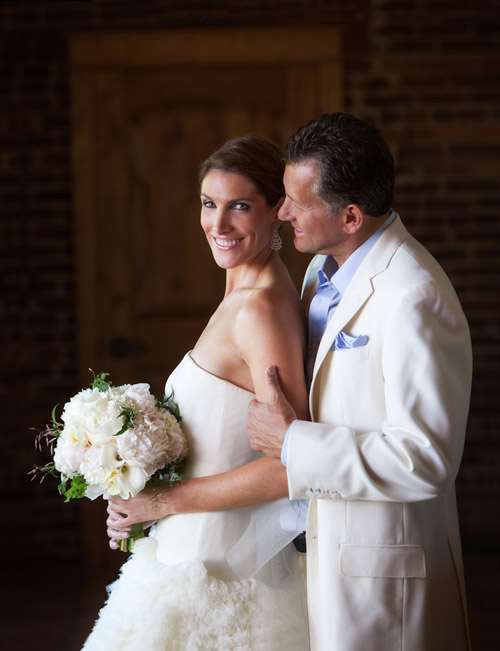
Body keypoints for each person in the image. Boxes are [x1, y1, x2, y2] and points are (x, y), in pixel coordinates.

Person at [248, 113, 473, 651]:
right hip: (318, 551)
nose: (281, 214)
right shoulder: (317, 272)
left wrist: (294, 444)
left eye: (296, 204)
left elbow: (427, 460)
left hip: (382, 579)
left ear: (350, 216)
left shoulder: (413, 295)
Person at [82, 137, 311, 650]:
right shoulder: (238, 295)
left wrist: (161, 500)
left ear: (278, 212)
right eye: (210, 204)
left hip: (219, 567)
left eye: (240, 207)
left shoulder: (261, 311)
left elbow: (291, 465)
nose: (219, 224)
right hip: (187, 551)